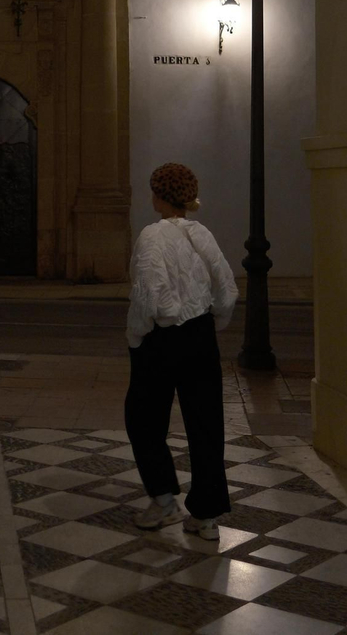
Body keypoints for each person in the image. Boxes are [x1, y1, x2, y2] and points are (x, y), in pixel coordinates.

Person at [125, 162, 238, 540]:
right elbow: (226, 289)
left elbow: (146, 293)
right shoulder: (201, 234)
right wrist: (211, 324)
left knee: (143, 418)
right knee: (206, 424)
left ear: (158, 196)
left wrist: (136, 336)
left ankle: (163, 500)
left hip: (162, 339)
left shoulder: (152, 237)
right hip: (201, 335)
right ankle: (206, 516)